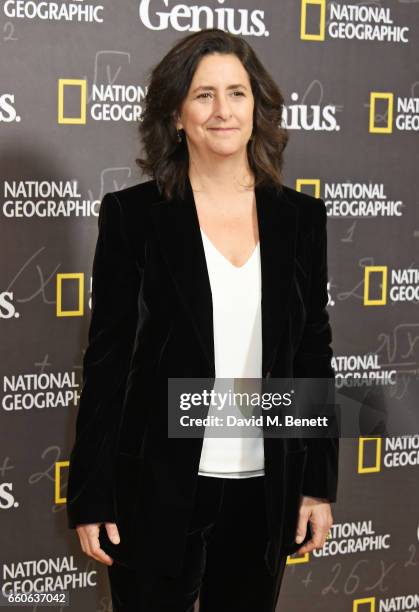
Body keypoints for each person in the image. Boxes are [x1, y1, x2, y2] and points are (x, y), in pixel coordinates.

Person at [66, 28, 339, 612]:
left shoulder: (301, 219)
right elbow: (108, 360)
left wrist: (316, 484)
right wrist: (91, 496)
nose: (224, 111)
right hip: (154, 489)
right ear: (176, 114)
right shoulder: (134, 217)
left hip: (266, 490)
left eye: (237, 94)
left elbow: (313, 350)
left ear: (257, 108)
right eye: (204, 95)